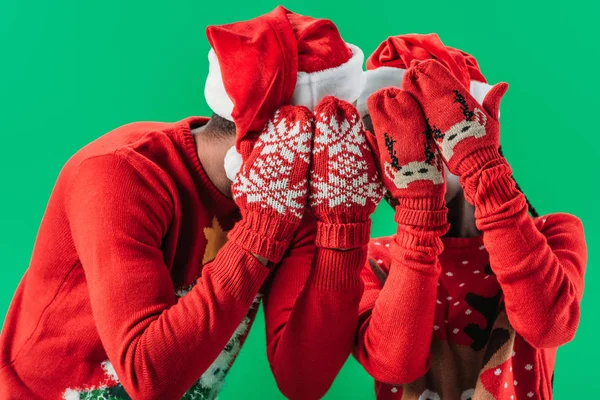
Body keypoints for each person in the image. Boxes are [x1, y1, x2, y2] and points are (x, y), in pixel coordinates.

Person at [0, 7, 382, 399]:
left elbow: (303, 380)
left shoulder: (296, 200)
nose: (337, 158)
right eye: (329, 138)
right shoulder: (119, 174)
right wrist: (260, 234)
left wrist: (345, 229)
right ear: (274, 137)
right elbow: (150, 380)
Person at [353, 34, 587, 399]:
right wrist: (418, 212)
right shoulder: (371, 259)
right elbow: (393, 365)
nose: (410, 150)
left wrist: (483, 169)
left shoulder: (553, 233)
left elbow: (548, 326)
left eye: (426, 128)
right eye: (388, 137)